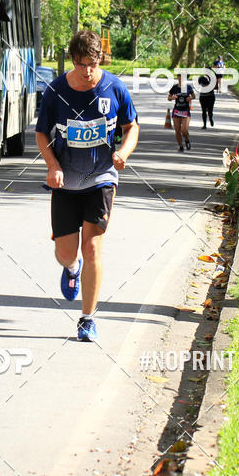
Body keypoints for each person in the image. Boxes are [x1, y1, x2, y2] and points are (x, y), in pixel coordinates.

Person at [35, 29, 139, 342]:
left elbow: (131, 126)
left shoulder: (114, 87)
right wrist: (52, 166)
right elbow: (41, 134)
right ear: (73, 61)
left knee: (93, 246)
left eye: (93, 63)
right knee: (65, 253)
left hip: (102, 178)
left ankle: (87, 318)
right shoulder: (56, 92)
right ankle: (71, 269)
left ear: (100, 60)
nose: (88, 71)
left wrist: (123, 152)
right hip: (66, 182)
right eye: (82, 64)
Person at [167, 74, 195, 152]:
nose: (181, 78)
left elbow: (194, 96)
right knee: (177, 130)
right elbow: (168, 97)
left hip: (185, 111)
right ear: (178, 77)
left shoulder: (188, 87)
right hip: (176, 111)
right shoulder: (174, 87)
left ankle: (186, 139)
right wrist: (172, 98)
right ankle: (181, 146)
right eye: (179, 76)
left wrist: (190, 97)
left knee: (184, 130)